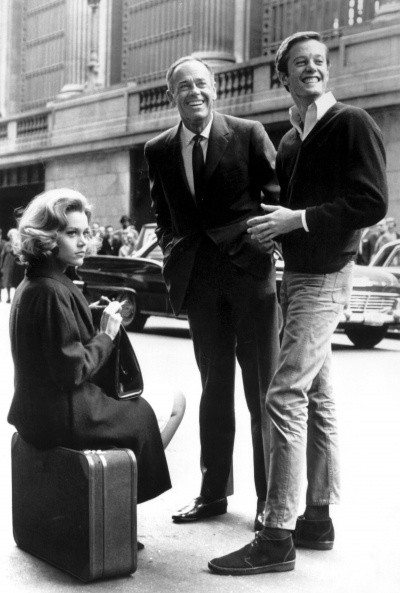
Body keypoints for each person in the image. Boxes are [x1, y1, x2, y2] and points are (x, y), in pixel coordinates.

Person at [208, 31, 388, 576]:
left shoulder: (351, 123)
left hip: (327, 278)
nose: (311, 68)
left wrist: (298, 220)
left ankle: (276, 532)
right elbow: (291, 209)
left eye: (318, 61)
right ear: (283, 76)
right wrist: (275, 230)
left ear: (326, 71)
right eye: (299, 63)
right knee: (320, 396)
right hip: (300, 276)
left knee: (283, 397)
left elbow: (372, 201)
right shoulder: (290, 140)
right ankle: (317, 517)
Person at [144, 56, 280, 529]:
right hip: (199, 283)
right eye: (184, 86)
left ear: (215, 88)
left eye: (201, 83)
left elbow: (276, 196)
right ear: (171, 96)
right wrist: (172, 250)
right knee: (213, 391)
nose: (194, 92)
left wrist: (264, 240)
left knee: (262, 393)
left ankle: (270, 503)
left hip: (250, 279)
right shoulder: (158, 148)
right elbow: (161, 213)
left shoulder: (247, 133)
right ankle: (212, 493)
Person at [7, 188, 186, 516]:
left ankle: (114, 493)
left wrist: (86, 314)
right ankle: (116, 501)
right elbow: (71, 369)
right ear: (47, 238)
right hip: (62, 415)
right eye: (72, 233)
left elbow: (54, 339)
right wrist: (105, 334)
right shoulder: (51, 291)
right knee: (168, 405)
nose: (83, 242)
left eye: (85, 233)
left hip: (38, 412)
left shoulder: (35, 283)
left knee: (140, 406)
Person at [0, 228, 24, 303]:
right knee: (8, 280)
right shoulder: (7, 244)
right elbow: (3, 254)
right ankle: (8, 297)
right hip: (8, 264)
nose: (11, 237)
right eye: (11, 235)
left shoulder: (18, 243)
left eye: (13, 235)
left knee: (17, 280)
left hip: (17, 264)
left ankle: (17, 298)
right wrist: (1, 265)